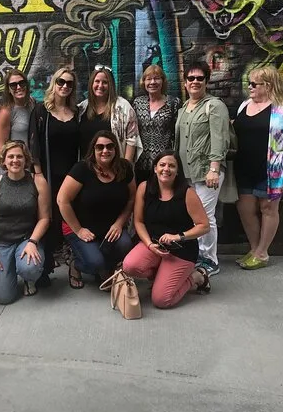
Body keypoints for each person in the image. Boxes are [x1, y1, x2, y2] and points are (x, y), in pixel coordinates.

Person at [233, 65, 283, 270]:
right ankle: (254, 249)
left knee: (268, 208)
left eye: (254, 84)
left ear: (268, 85)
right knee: (245, 208)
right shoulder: (244, 106)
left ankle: (262, 253)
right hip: (244, 166)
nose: (250, 87)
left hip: (271, 169)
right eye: (249, 83)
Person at [122, 151, 211, 308]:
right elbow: (139, 221)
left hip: (181, 250)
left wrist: (179, 236)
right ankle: (162, 276)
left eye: (172, 166)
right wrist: (149, 244)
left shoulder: (187, 193)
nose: (166, 169)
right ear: (155, 168)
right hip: (154, 245)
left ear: (178, 171)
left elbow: (204, 226)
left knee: (162, 300)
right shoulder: (144, 187)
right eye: (162, 165)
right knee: (130, 266)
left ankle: (197, 277)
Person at [57, 130, 136, 288]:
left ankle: (104, 267)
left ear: (115, 148)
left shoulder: (124, 168)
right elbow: (62, 200)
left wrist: (119, 223)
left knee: (125, 244)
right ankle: (77, 264)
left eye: (110, 146)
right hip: (81, 227)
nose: (105, 150)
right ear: (93, 149)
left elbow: (131, 198)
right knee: (95, 263)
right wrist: (79, 230)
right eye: (100, 147)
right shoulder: (82, 169)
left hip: (110, 228)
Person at [175, 61, 230, 277]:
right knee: (193, 216)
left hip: (207, 171)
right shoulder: (183, 109)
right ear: (185, 82)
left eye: (200, 78)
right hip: (187, 173)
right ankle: (196, 255)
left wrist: (214, 168)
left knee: (205, 216)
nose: (195, 82)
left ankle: (210, 259)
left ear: (206, 81)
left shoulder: (214, 106)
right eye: (191, 78)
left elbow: (220, 138)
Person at [0, 141, 51, 303]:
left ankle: (28, 278)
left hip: (27, 239)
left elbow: (44, 218)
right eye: (10, 157)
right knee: (3, 297)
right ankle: (9, 269)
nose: (15, 160)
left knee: (29, 268)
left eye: (19, 156)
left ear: (26, 160)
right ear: (4, 160)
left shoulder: (38, 182)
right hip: (2, 242)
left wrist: (33, 241)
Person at [30, 67, 80, 286]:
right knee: (47, 217)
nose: (65, 86)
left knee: (69, 217)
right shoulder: (42, 111)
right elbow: (33, 144)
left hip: (72, 176)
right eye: (61, 81)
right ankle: (44, 267)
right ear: (54, 83)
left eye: (69, 83)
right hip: (48, 174)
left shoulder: (76, 112)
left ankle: (74, 263)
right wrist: (38, 173)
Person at [77, 65, 140, 162]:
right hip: (86, 166)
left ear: (111, 85)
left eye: (105, 82)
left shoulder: (123, 107)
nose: (100, 85)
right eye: (97, 81)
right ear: (91, 83)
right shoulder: (82, 108)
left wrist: (126, 166)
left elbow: (132, 140)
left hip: (113, 167)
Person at [132, 65, 181, 183]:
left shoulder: (173, 103)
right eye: (148, 79)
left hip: (163, 164)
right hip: (140, 162)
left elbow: (178, 133)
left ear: (163, 81)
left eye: (157, 78)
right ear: (144, 82)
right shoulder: (138, 103)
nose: (152, 82)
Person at [0, 69, 35, 152]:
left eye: (22, 83)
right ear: (8, 89)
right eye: (13, 85)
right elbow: (1, 147)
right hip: (17, 158)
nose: (19, 87)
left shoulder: (32, 102)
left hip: (34, 158)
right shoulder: (6, 112)